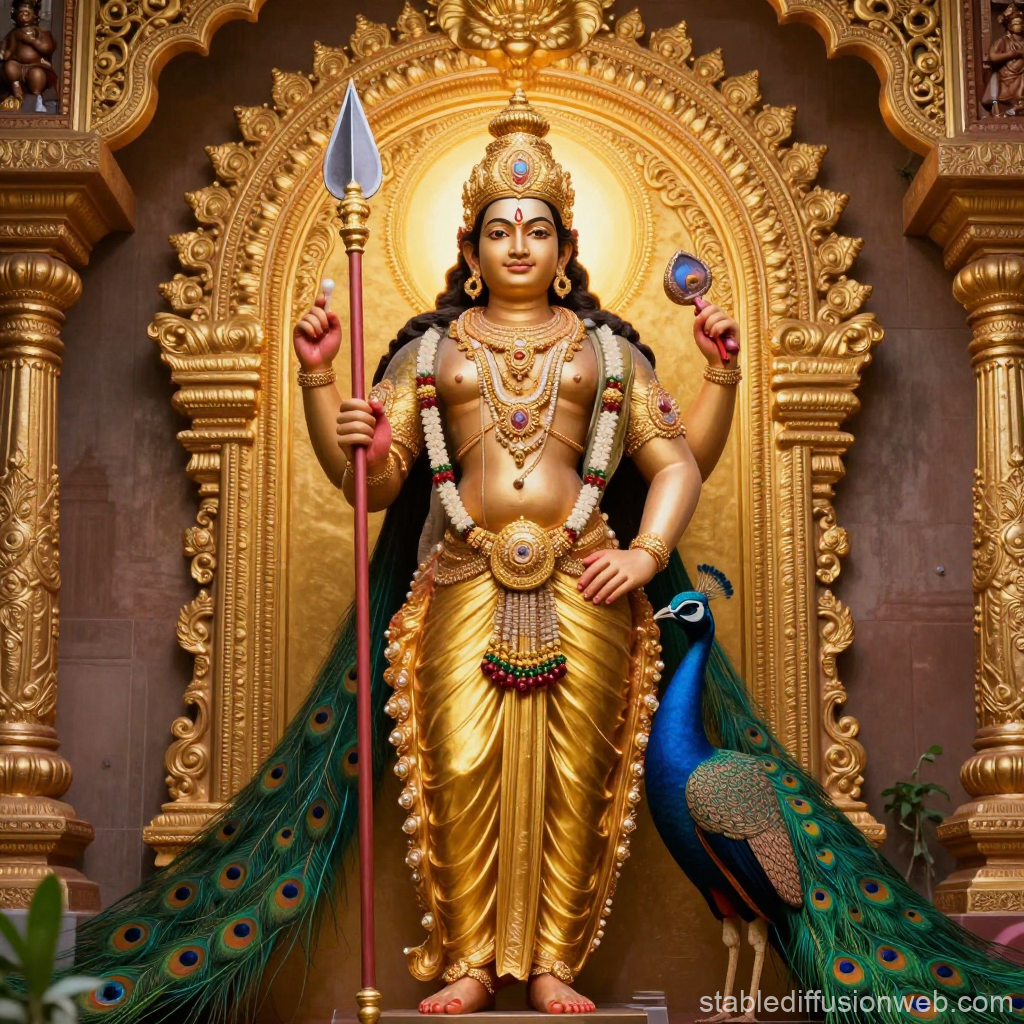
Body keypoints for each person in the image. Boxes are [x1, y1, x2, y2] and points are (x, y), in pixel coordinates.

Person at [293, 90, 741, 1015]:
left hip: (586, 579)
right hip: (460, 575)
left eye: (540, 229)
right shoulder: (427, 357)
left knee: (579, 781)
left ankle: (553, 965)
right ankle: (467, 957)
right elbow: (369, 489)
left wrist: (650, 556)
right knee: (456, 770)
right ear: (469, 251)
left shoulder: (610, 357)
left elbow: (675, 464)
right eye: (500, 230)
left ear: (568, 252)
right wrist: (320, 387)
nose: (521, 245)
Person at [0, 0, 56, 112]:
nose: (22, 16)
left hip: (35, 65)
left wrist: (33, 41)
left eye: (26, 13)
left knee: (37, 74)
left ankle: (38, 99)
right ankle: (17, 94)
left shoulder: (39, 31)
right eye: (20, 13)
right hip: (17, 64)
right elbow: (5, 46)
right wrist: (2, 53)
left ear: (34, 15)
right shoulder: (13, 33)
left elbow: (47, 48)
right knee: (9, 67)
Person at [989, 4, 1024, 115]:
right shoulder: (1004, 41)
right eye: (1015, 23)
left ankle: (1015, 110)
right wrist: (1010, 54)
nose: (1018, 25)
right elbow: (992, 57)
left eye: (1020, 23)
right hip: (1009, 77)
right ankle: (1014, 110)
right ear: (1009, 26)